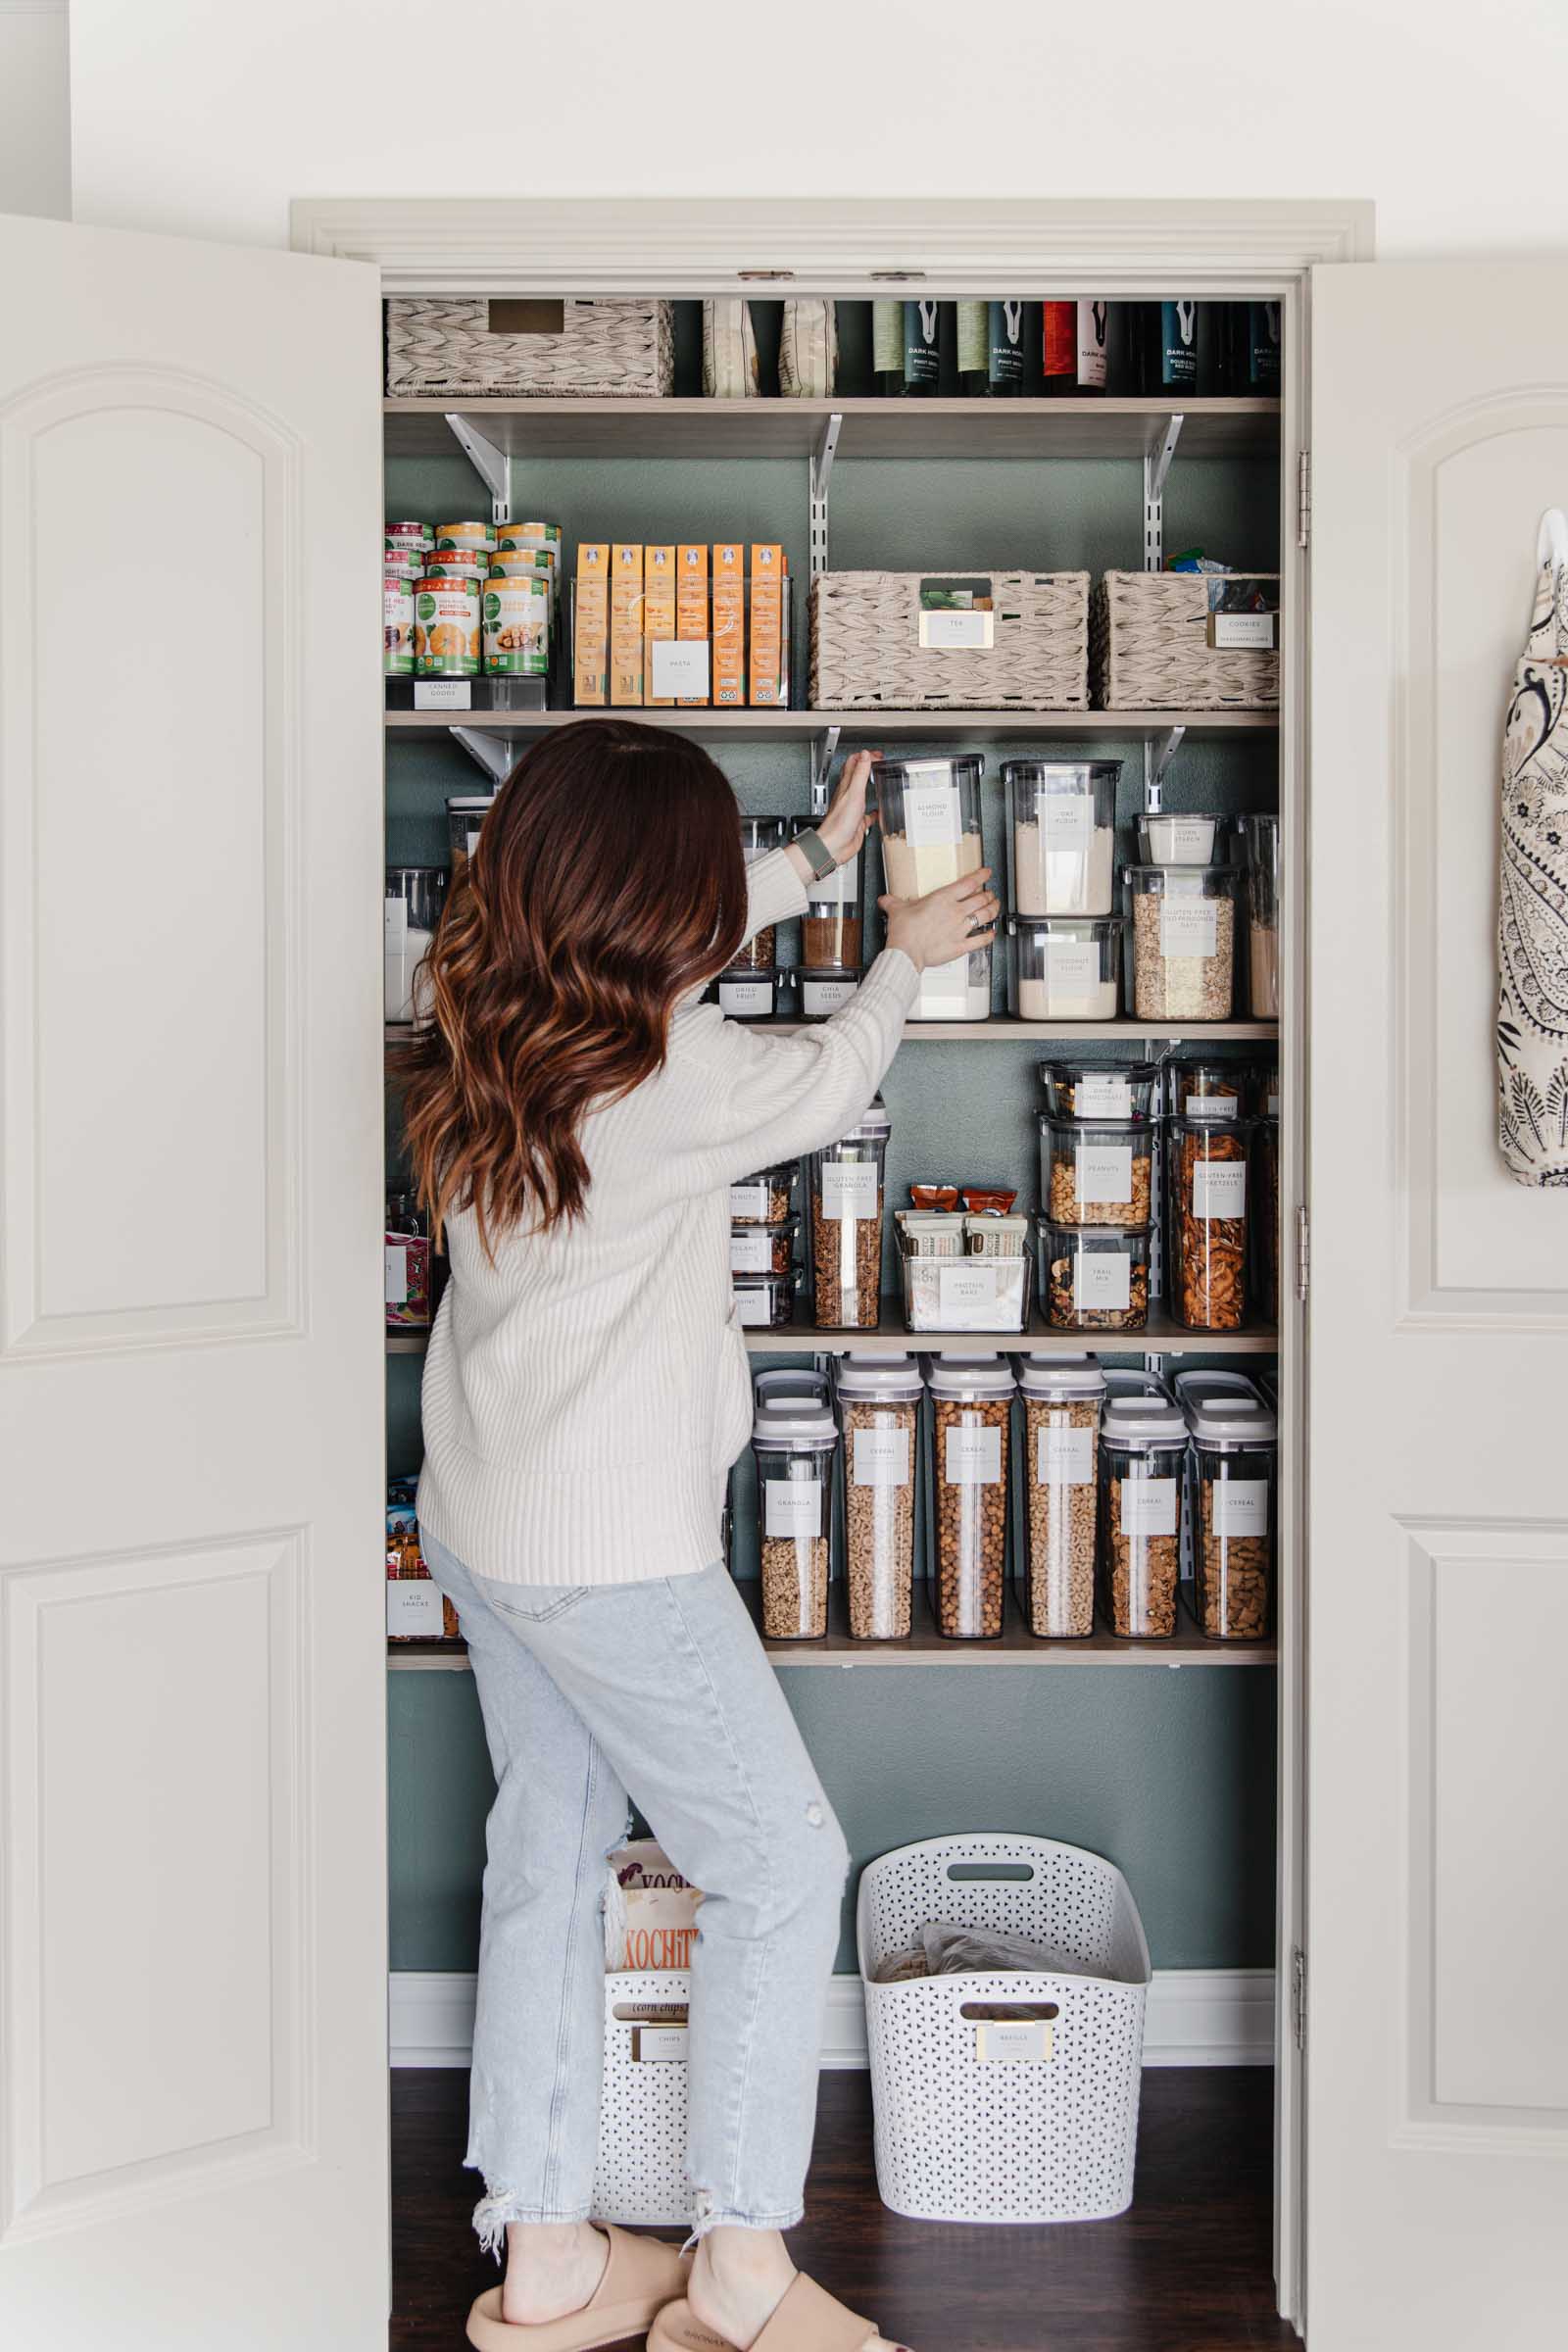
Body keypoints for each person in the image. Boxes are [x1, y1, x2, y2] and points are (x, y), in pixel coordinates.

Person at [399, 720, 997, 2352]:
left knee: (543, 1857)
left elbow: (678, 930)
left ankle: (543, 2248)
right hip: (612, 1553)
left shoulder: (488, 1010)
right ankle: (738, 2263)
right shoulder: (674, 1068)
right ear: (648, 907)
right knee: (782, 1866)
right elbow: (826, 1082)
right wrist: (896, 959)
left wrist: (809, 860)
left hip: (483, 1526)